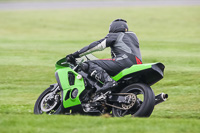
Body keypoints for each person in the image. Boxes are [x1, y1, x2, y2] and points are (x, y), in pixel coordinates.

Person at [66, 19, 142, 93]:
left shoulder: (115, 35)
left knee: (90, 64)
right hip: (138, 64)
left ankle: (108, 81)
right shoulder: (133, 36)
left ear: (113, 28)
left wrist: (75, 55)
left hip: (123, 62)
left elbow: (97, 45)